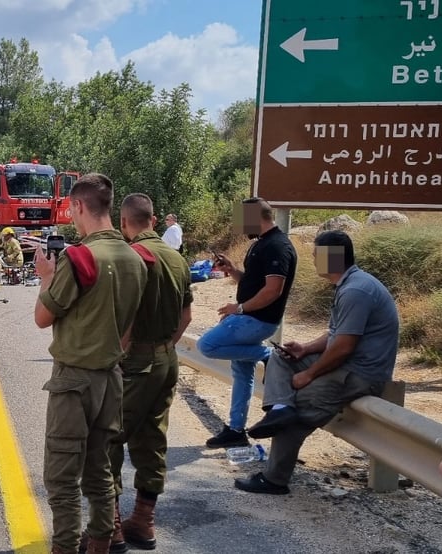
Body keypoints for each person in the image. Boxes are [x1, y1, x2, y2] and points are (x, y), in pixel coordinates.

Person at [235, 231, 399, 494]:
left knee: (298, 411)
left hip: (359, 373)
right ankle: (279, 407)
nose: (312, 260)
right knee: (280, 357)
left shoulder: (356, 290)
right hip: (345, 362)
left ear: (332, 258)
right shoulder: (348, 284)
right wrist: (305, 349)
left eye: (316, 256)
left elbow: (344, 347)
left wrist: (309, 374)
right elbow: (336, 334)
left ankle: (274, 479)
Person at [33, 173, 146, 554]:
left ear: (79, 206)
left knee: (62, 477)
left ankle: (64, 548)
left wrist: (46, 278)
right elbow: (127, 329)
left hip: (73, 382)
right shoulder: (136, 258)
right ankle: (100, 544)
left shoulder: (79, 257)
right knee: (99, 469)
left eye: (71, 209)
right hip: (110, 379)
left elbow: (43, 317)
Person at [109, 193, 193, 552]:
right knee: (151, 438)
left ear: (124, 224)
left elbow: (125, 320)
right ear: (154, 220)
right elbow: (186, 317)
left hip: (136, 363)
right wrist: (162, 348)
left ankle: (109, 530)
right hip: (166, 360)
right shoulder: (178, 259)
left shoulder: (130, 258)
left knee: (105, 438)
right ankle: (143, 521)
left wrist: (117, 357)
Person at [196, 197, 297, 449]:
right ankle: (235, 429)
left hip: (257, 320)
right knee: (242, 373)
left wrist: (239, 308)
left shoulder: (277, 246)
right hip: (251, 317)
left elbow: (273, 290)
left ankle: (268, 355)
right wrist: (232, 270)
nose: (240, 226)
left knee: (207, 345)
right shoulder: (261, 244)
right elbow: (254, 283)